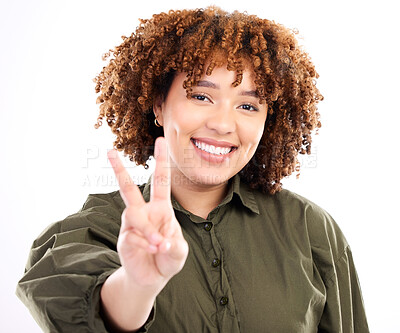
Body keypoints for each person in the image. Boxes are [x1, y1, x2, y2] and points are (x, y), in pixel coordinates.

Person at [16, 6, 369, 333]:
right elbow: (65, 304)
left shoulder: (309, 229)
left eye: (247, 105)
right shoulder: (99, 228)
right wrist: (138, 286)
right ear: (159, 105)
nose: (223, 124)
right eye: (201, 96)